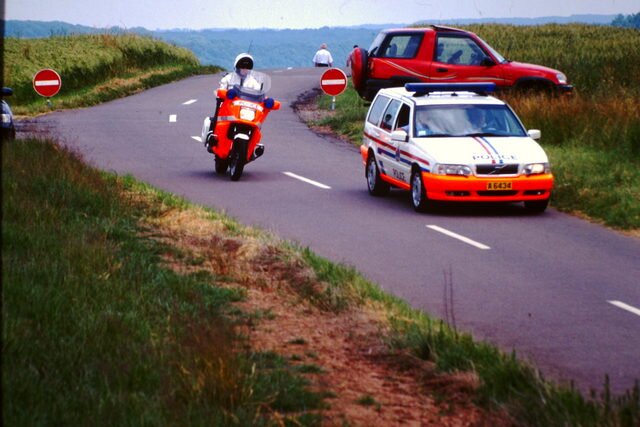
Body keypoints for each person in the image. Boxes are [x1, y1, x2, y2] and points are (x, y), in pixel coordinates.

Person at [205, 53, 260, 151]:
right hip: (228, 108)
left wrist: (265, 99)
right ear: (237, 66)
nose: (244, 69)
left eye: (247, 67)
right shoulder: (228, 78)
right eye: (242, 66)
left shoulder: (253, 82)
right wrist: (224, 93)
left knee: (256, 124)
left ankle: (253, 147)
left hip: (246, 110)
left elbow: (259, 94)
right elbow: (220, 90)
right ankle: (212, 138)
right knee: (216, 119)